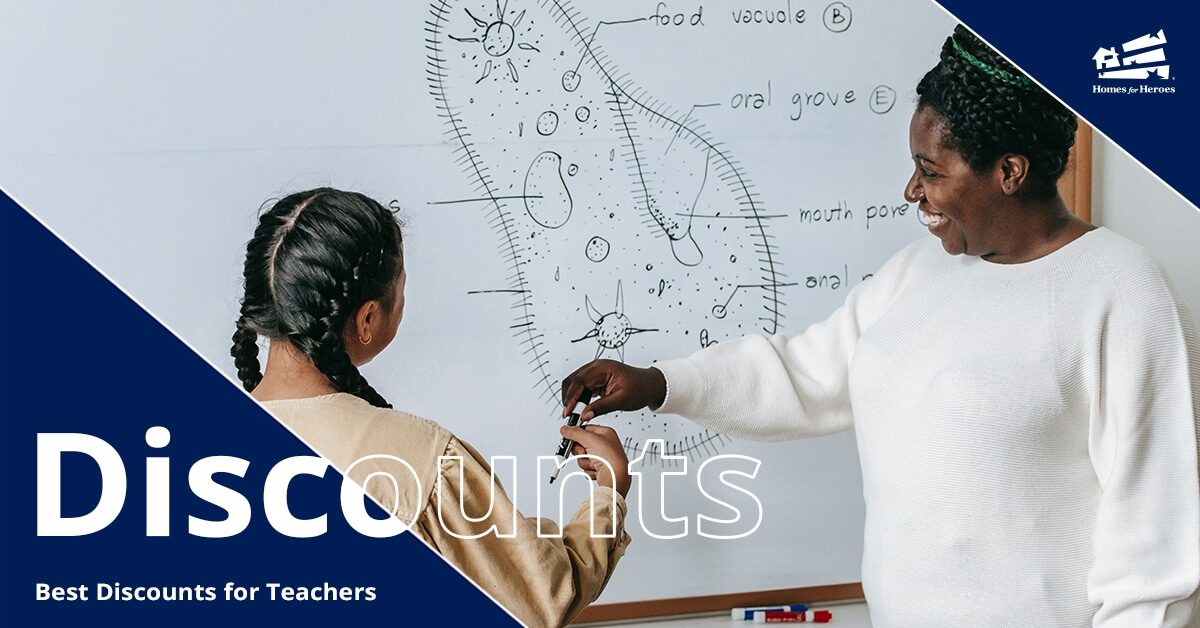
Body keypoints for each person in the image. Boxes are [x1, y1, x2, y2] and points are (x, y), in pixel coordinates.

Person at [561, 26, 1200, 627]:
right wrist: (657, 384)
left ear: (1009, 172)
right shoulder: (918, 272)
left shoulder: (1123, 293)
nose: (910, 191)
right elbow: (804, 374)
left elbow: (1157, 547)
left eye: (931, 171)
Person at [231, 187, 631, 627]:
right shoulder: (420, 462)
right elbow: (542, 596)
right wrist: (607, 496)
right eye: (401, 288)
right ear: (366, 319)